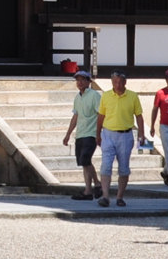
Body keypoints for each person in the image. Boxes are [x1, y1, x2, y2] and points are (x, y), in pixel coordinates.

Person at [96, 70, 147, 207]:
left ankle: (119, 196)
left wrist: (141, 134)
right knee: (106, 165)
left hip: (125, 135)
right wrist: (97, 134)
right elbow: (101, 116)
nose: (117, 85)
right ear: (111, 82)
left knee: (124, 168)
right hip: (108, 133)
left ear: (125, 82)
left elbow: (139, 116)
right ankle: (105, 196)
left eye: (120, 82)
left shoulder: (132, 96)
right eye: (115, 82)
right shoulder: (106, 96)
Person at [59, 69, 103, 200]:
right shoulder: (77, 97)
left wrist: (99, 133)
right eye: (78, 80)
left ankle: (95, 185)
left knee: (85, 159)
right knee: (84, 162)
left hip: (91, 133)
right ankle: (91, 188)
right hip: (80, 133)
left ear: (89, 81)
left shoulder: (94, 95)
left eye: (83, 80)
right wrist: (68, 134)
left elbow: (101, 114)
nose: (80, 82)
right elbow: (75, 116)